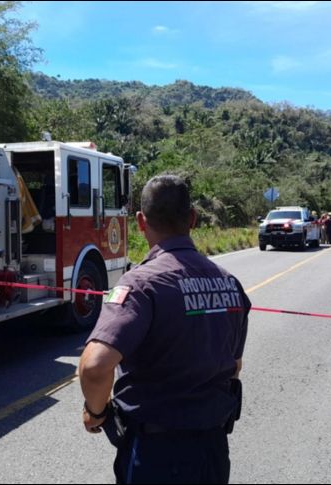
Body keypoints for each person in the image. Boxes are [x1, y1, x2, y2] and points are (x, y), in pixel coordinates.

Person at [78, 175, 250, 484]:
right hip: (212, 451)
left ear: (141, 222)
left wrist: (96, 411)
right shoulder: (230, 283)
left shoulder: (141, 284)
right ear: (193, 219)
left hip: (156, 454)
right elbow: (234, 365)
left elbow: (94, 367)